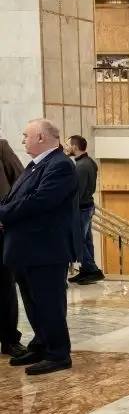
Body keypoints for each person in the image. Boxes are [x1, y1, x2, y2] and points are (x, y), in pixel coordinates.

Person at [1, 119, 79, 376]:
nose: (23, 140)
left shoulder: (60, 165)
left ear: (42, 137)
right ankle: (41, 344)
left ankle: (58, 354)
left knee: (49, 303)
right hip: (27, 249)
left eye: (26, 135)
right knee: (34, 303)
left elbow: (40, 201)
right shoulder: (37, 165)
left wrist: (3, 215)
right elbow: (15, 197)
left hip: (46, 249)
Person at [67, 135, 104, 285]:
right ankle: (87, 270)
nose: (66, 148)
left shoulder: (81, 166)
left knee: (79, 240)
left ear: (75, 147)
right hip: (88, 206)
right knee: (86, 241)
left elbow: (78, 193)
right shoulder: (89, 162)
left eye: (68, 145)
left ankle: (92, 270)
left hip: (81, 209)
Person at [0, 135, 24, 358]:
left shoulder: (1, 147)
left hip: (1, 228)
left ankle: (9, 339)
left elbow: (21, 182)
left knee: (4, 285)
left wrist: (8, 214)